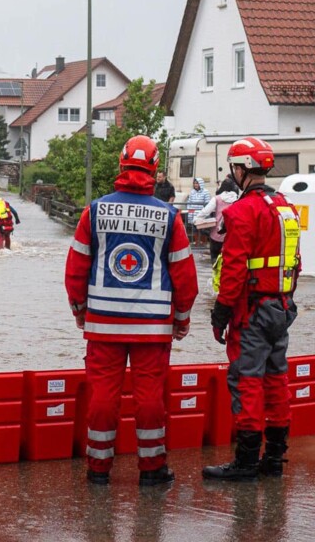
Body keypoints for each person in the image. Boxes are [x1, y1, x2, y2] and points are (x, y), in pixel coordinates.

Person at [65, 135, 198, 486]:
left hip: (104, 323)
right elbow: (184, 276)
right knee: (150, 397)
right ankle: (152, 470)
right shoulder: (170, 217)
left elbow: (76, 269)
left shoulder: (94, 211)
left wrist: (80, 310)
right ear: (154, 169)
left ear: (122, 164)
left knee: (103, 396)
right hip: (152, 327)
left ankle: (98, 469)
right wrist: (181, 319)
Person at [203, 137, 301, 481]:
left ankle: (245, 463)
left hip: (252, 311)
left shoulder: (242, 212)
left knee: (246, 380)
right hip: (282, 307)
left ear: (241, 169)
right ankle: (273, 459)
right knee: (276, 379)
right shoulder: (285, 207)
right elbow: (294, 262)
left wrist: (221, 314)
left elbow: (233, 270)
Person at [195, 178, 240, 263]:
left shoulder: (217, 199)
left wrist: (196, 219)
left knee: (215, 261)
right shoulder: (237, 199)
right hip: (232, 236)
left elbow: (205, 211)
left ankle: (216, 275)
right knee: (229, 262)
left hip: (216, 236)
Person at [185, 177, 211, 246]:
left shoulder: (206, 192)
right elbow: (189, 202)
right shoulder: (192, 192)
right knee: (194, 229)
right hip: (193, 214)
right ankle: (197, 242)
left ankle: (204, 243)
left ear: (200, 184)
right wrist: (189, 211)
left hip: (202, 214)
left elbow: (207, 204)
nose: (195, 185)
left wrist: (203, 213)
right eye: (194, 183)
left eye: (197, 183)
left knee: (203, 229)